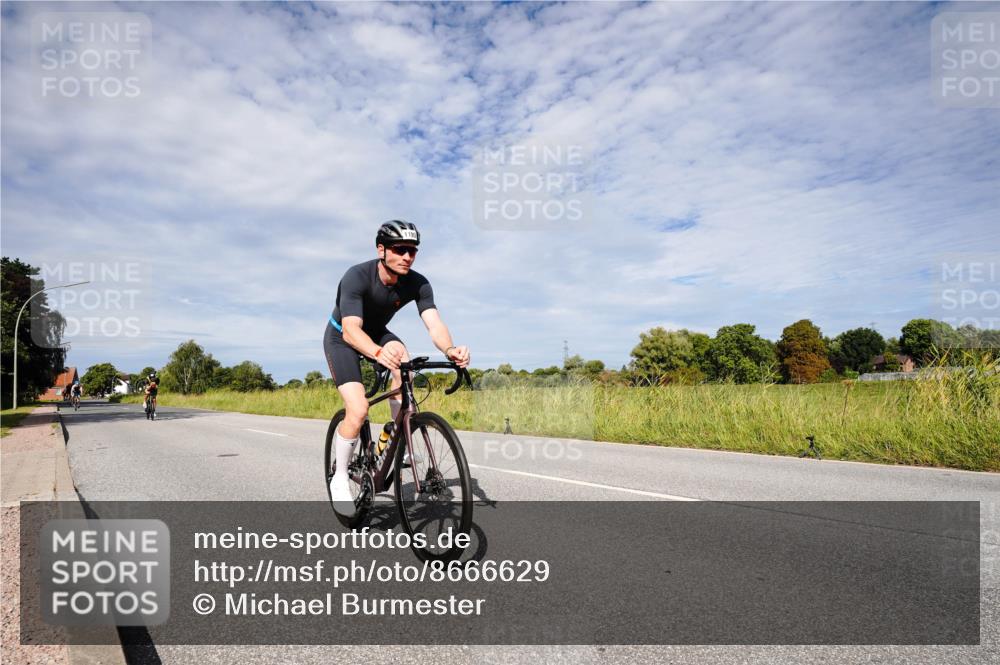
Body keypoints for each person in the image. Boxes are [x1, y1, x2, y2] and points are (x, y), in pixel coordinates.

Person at [324, 220, 470, 515]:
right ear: (382, 250)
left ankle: (395, 433)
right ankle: (339, 477)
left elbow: (434, 323)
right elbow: (352, 330)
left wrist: (450, 349)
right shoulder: (357, 276)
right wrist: (378, 353)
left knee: (403, 357)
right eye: (400, 249)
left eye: (413, 251)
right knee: (358, 409)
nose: (407, 256)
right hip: (342, 336)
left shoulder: (418, 283)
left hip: (376, 331)